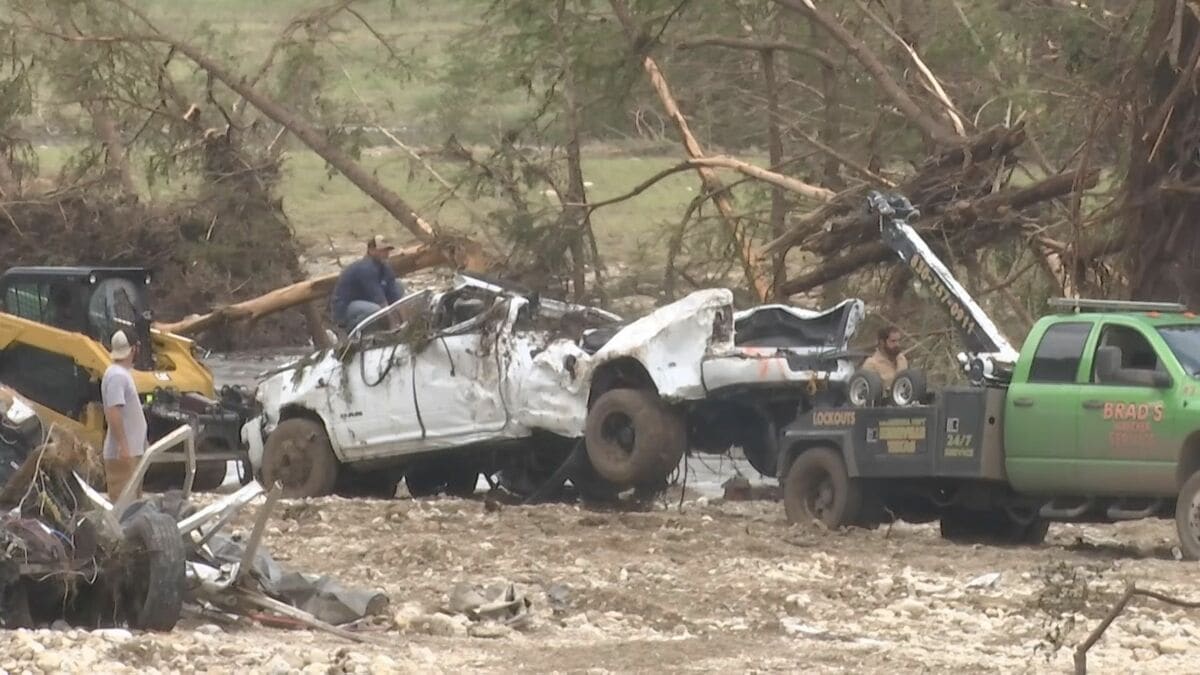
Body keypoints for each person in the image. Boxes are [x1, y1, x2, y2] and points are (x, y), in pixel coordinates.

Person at [102, 330, 148, 502]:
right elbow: (114, 411)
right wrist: (124, 447)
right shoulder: (117, 376)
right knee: (124, 509)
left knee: (133, 507)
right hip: (123, 455)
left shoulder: (120, 374)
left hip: (131, 453)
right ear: (134, 349)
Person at [330, 235, 406, 332]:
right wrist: (393, 327)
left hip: (366, 301)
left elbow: (397, 300)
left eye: (387, 250)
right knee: (375, 310)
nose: (386, 254)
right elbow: (381, 301)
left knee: (398, 285)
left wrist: (405, 323)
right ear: (371, 250)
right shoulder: (366, 268)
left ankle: (401, 326)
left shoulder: (385, 267)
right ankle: (354, 332)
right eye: (382, 251)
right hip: (345, 307)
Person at [862, 325, 909, 390]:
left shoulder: (901, 359)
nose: (897, 345)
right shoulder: (871, 364)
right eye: (893, 341)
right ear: (882, 342)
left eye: (898, 341)